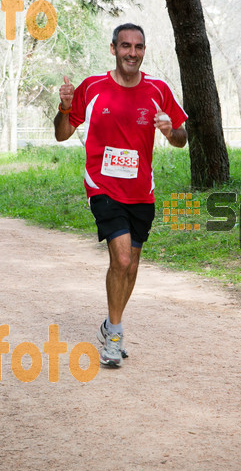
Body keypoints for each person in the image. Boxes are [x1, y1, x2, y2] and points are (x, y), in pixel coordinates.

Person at [54, 23, 188, 366]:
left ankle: (110, 323)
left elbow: (182, 137)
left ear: (144, 51)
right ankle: (114, 336)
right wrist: (64, 107)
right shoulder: (93, 87)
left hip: (141, 189)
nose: (132, 52)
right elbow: (63, 133)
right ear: (113, 49)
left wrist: (171, 131)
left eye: (138, 47)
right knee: (122, 259)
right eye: (125, 46)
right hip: (103, 185)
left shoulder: (158, 90)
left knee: (131, 266)